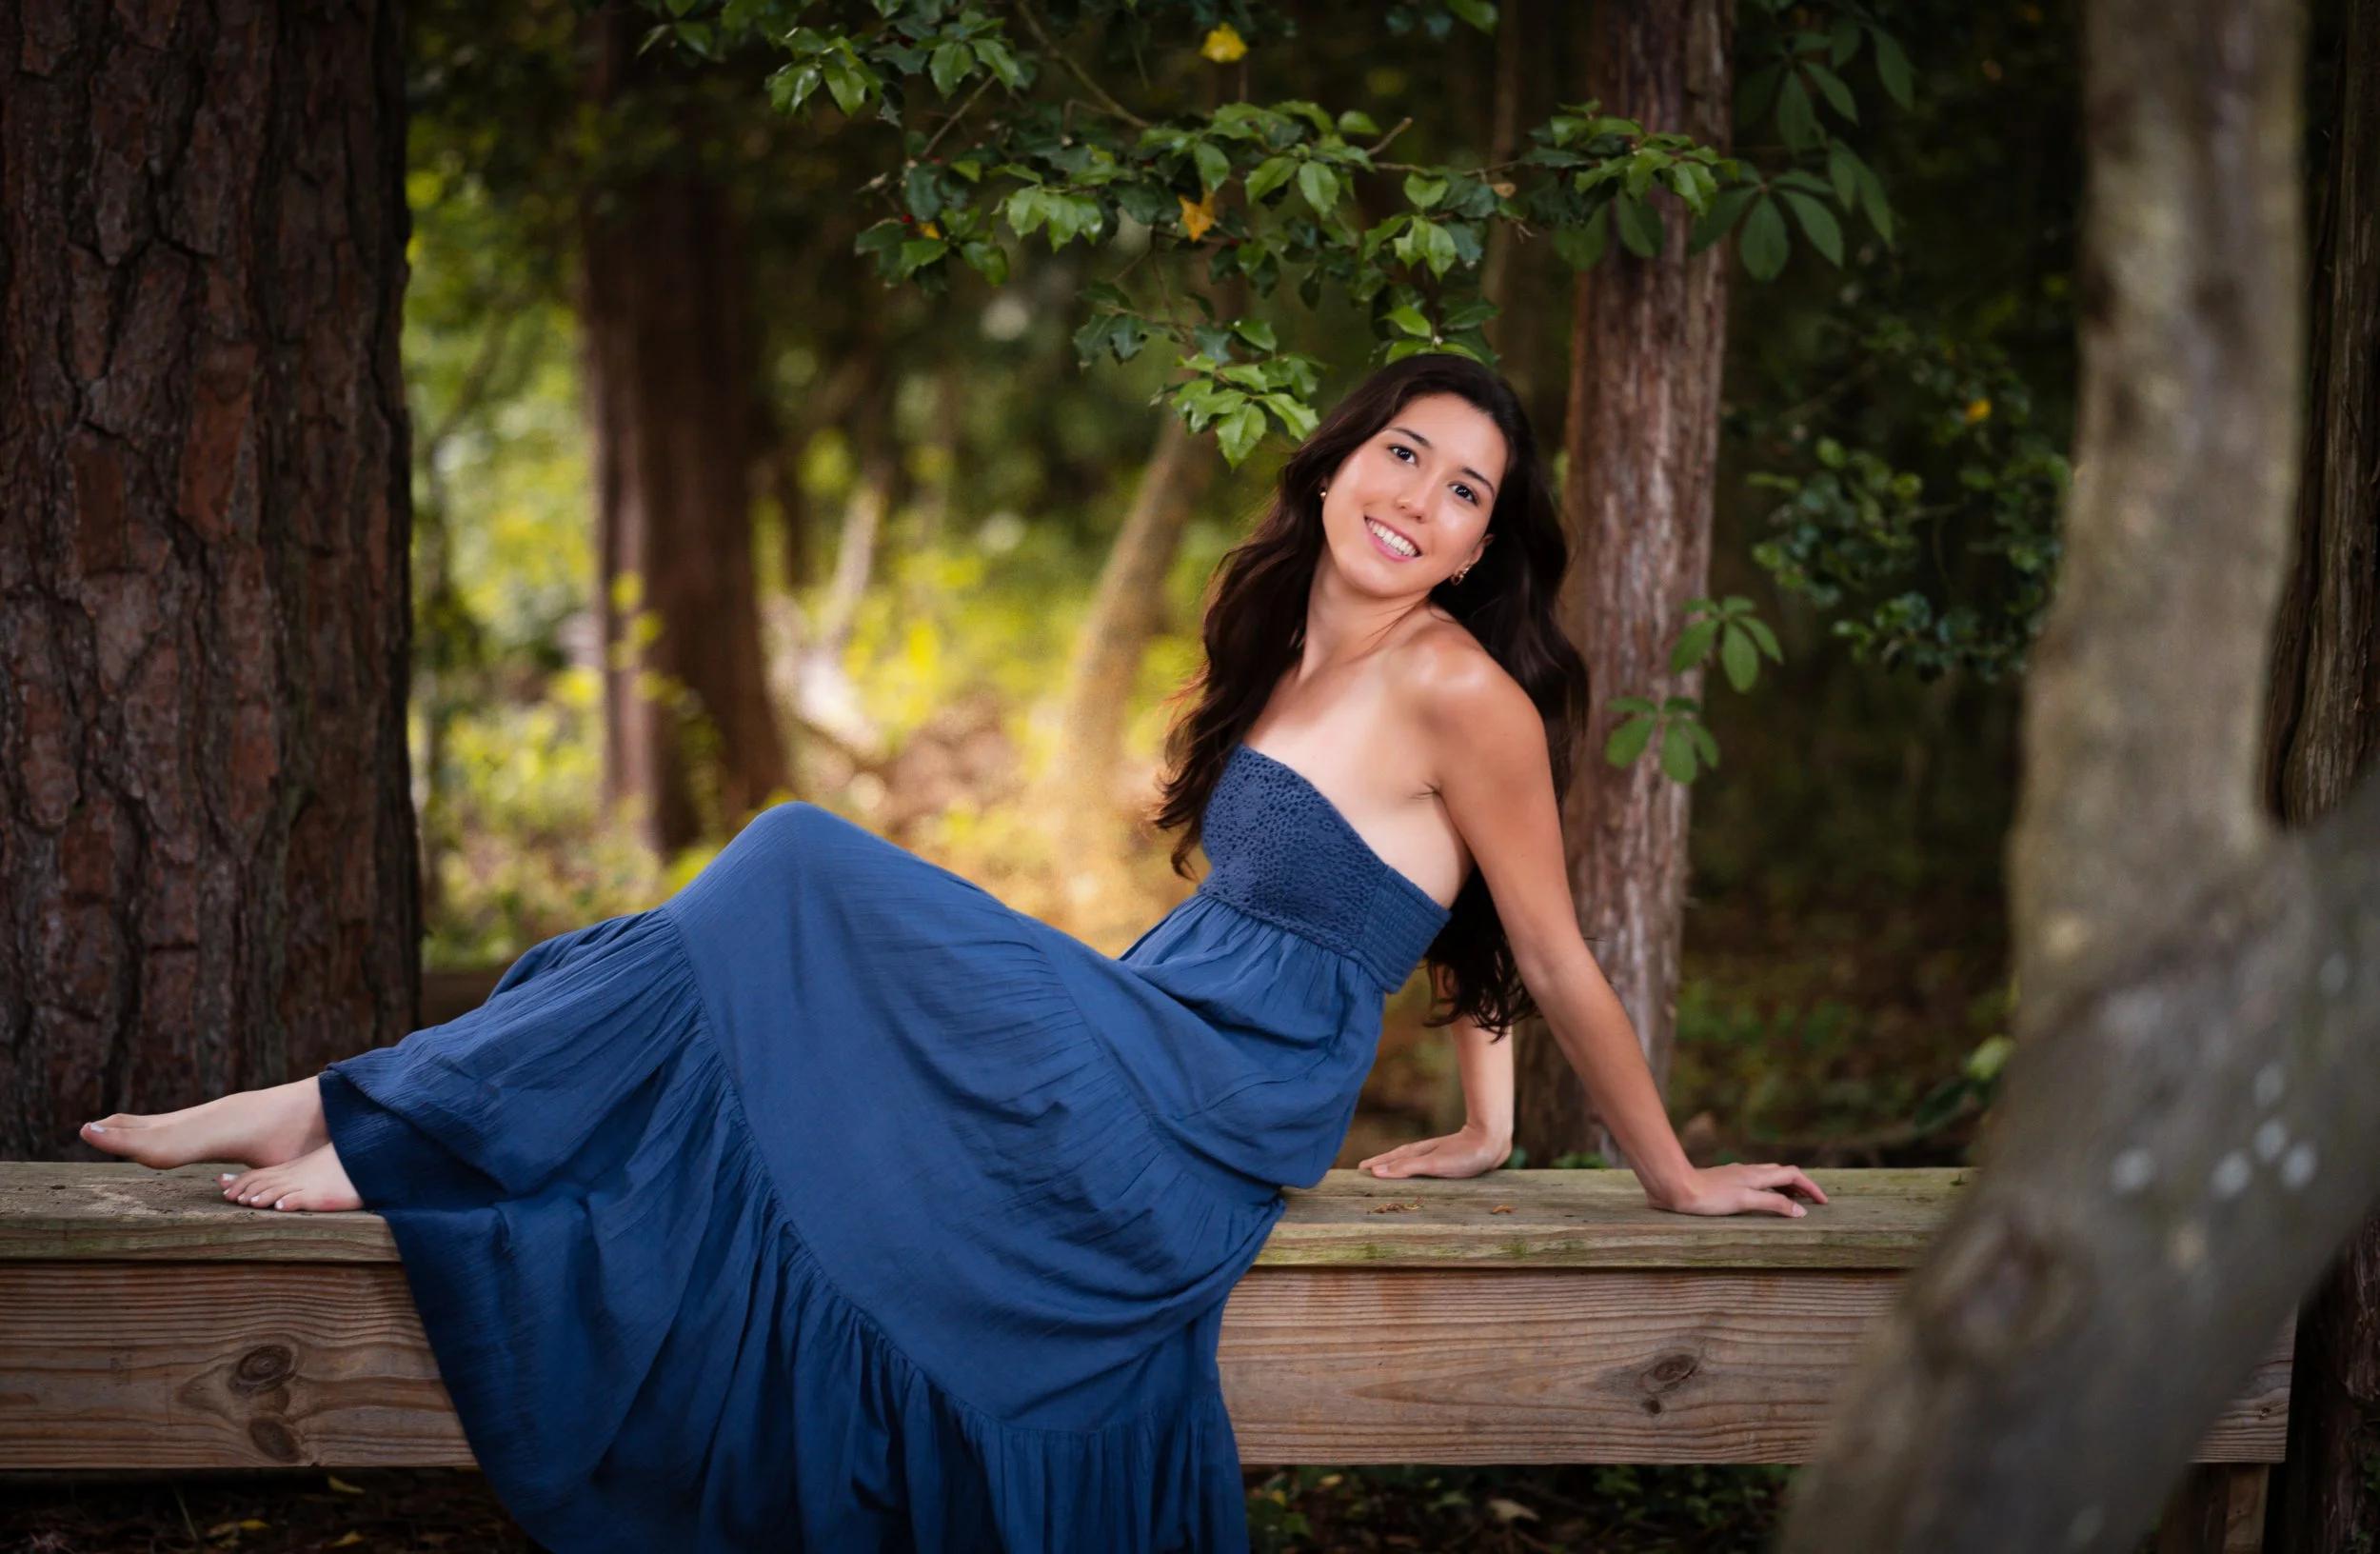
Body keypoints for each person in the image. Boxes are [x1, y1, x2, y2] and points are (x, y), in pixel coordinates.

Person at [80, 354, 1824, 1553]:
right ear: (1337, 460)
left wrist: (1668, 1180)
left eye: (1466, 492)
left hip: (1209, 1097)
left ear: (1483, 544)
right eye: (1405, 456)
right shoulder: (1290, 648)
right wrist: (1485, 1122)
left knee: (792, 865)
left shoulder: (1461, 687)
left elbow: (1546, 942)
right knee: (771, 948)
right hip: (1154, 1027)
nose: (1422, 500)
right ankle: (366, 1111)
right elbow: (1442, 906)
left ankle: (364, 1116)